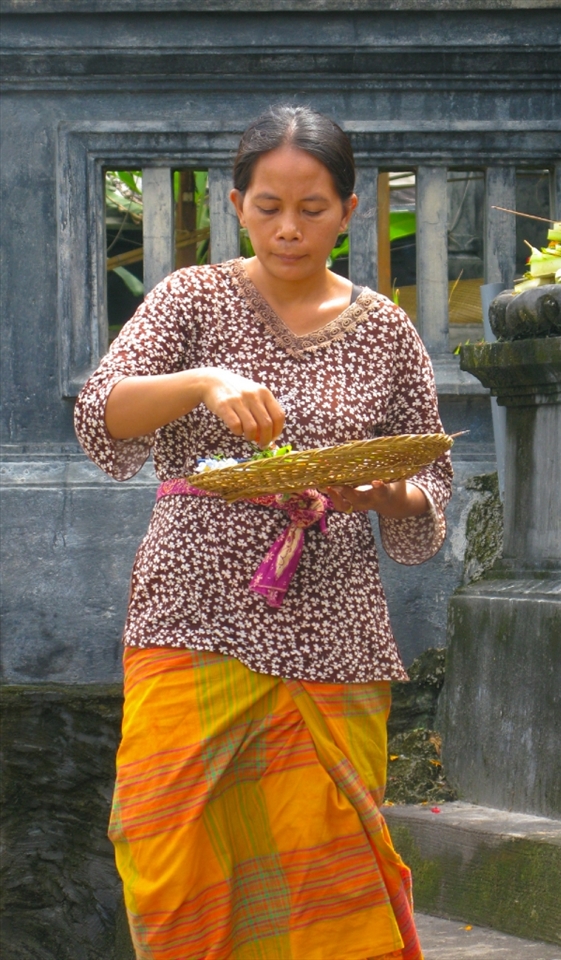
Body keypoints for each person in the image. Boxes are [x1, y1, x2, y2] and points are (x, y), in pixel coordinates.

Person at [75, 104, 452, 960]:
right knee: (159, 833)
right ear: (238, 205)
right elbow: (102, 415)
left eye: (313, 208)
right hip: (192, 607)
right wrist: (202, 381)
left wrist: (393, 494)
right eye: (269, 206)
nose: (290, 228)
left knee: (328, 869)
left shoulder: (387, 332)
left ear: (351, 211)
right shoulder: (191, 299)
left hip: (336, 624)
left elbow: (430, 481)